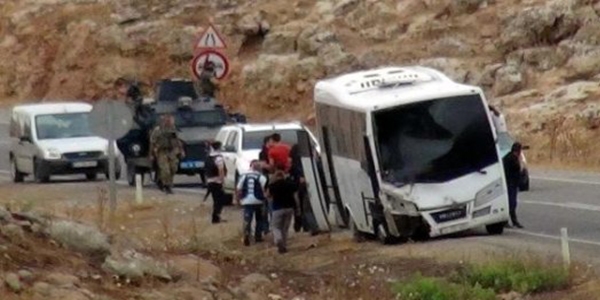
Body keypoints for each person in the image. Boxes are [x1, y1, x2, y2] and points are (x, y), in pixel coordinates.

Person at [236, 160, 268, 246]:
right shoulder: (262, 177)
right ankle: (258, 236)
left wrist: (238, 200)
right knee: (259, 219)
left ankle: (246, 234)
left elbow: (239, 189)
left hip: (246, 200)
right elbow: (265, 190)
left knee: (247, 219)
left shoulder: (244, 176)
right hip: (259, 201)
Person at [150, 115, 184, 194]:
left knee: (173, 168)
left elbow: (178, 140)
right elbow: (152, 142)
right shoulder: (158, 130)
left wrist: (181, 150)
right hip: (162, 151)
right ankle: (167, 185)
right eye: (167, 121)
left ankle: (164, 181)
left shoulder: (174, 129)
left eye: (171, 121)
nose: (169, 122)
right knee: (165, 170)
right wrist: (151, 154)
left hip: (172, 151)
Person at [267, 169, 299, 254]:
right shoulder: (290, 184)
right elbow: (296, 196)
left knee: (276, 227)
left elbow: (268, 195)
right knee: (285, 228)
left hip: (277, 208)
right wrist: (298, 208)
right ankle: (284, 246)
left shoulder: (273, 185)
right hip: (289, 208)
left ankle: (278, 240)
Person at [205, 141, 227, 224]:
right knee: (220, 200)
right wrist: (222, 181)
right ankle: (216, 217)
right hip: (217, 181)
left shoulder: (209, 157)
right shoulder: (218, 158)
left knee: (215, 200)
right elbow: (221, 170)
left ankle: (216, 217)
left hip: (210, 181)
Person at [503, 142, 524, 229]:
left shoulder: (508, 157)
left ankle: (511, 221)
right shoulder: (512, 159)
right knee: (511, 203)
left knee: (511, 203)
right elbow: (517, 170)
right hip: (510, 183)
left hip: (511, 183)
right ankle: (510, 221)